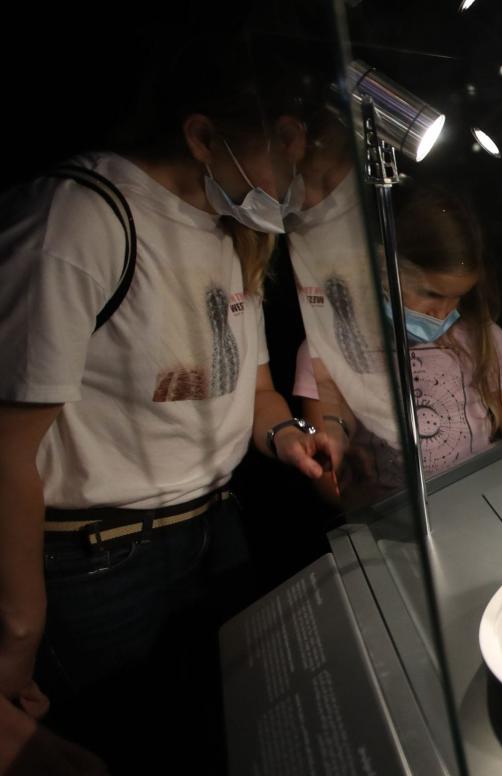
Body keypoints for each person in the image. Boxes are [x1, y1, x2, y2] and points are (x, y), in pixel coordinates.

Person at [0, 36, 335, 774]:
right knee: (129, 742)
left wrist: (286, 435)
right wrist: (18, 633)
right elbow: (5, 449)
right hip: (95, 562)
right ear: (201, 134)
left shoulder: (228, 231)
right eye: (280, 148)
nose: (294, 178)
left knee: (218, 736)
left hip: (213, 530)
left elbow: (252, 388)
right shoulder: (78, 219)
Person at [290, 179, 502, 503]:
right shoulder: (328, 353)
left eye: (457, 298)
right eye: (431, 294)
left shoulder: (484, 338)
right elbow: (329, 475)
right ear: (380, 270)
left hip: (483, 501)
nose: (442, 311)